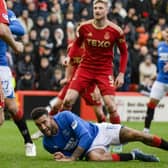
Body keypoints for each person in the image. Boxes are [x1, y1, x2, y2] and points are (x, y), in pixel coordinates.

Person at [63, 0, 128, 126]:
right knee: (68, 100)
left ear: (107, 10)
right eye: (95, 8)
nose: (97, 10)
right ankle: (62, 132)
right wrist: (69, 57)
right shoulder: (84, 27)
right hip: (85, 68)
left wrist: (121, 74)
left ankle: (118, 140)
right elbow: (76, 43)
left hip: (104, 70)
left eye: (100, 8)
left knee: (111, 106)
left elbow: (124, 53)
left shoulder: (116, 31)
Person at [31, 106, 168, 162]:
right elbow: (70, 155)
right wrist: (64, 156)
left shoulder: (65, 117)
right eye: (38, 125)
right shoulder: (48, 144)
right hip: (90, 148)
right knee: (94, 158)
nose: (42, 127)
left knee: (140, 135)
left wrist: (72, 158)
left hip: (99, 131)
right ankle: (135, 155)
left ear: (50, 117)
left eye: (44, 122)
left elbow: (85, 136)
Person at [31, 42, 106, 140]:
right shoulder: (72, 47)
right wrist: (67, 78)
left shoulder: (94, 47)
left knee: (99, 114)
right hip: (74, 82)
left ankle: (105, 134)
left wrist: (97, 87)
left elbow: (100, 68)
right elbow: (70, 63)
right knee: (56, 105)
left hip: (90, 83)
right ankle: (48, 129)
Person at [0, 9, 36, 157]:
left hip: (1, 66)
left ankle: (28, 142)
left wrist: (3, 26)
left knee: (12, 107)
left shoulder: (7, 11)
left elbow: (20, 29)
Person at [143, 26, 168, 133]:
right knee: (151, 104)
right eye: (167, 32)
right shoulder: (161, 46)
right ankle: (145, 131)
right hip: (161, 80)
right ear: (163, 34)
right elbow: (160, 63)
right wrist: (154, 76)